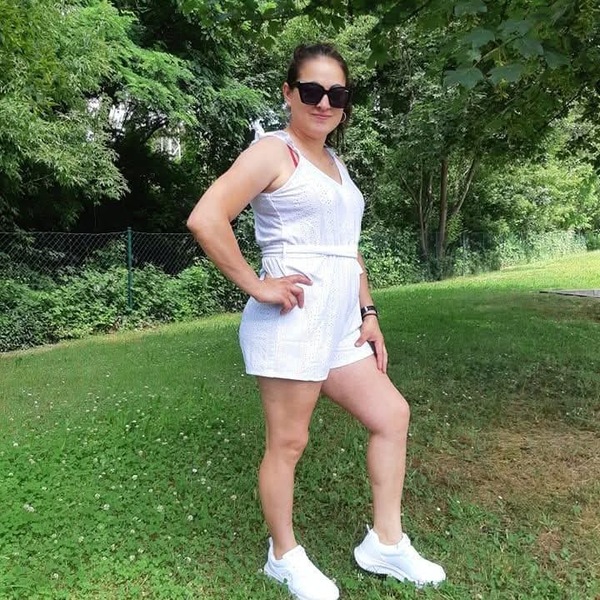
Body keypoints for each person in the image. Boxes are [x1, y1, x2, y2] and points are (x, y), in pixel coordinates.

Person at [187, 42, 446, 600]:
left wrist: (368, 312)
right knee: (288, 442)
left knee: (391, 415)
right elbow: (206, 217)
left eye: (337, 94)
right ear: (289, 93)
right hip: (292, 321)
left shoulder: (337, 164)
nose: (324, 103)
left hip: (340, 325)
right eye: (311, 91)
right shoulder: (273, 151)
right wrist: (257, 284)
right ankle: (283, 556)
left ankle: (385, 543)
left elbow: (347, 250)